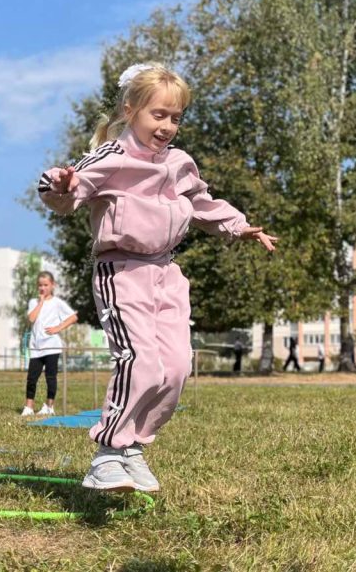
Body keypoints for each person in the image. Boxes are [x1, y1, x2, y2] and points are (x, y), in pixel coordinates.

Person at [38, 62, 277, 492]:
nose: (167, 126)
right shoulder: (112, 156)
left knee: (176, 368)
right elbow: (68, 193)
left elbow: (203, 203)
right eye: (158, 115)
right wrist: (57, 184)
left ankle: (133, 447)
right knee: (142, 362)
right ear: (130, 111)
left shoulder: (181, 163)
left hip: (166, 273)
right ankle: (108, 452)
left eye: (176, 117)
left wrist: (238, 226)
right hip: (121, 269)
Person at [21, 271, 77, 417]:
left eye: (46, 285)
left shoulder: (57, 303)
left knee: (50, 377)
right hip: (36, 347)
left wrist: (58, 328)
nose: (42, 288)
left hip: (52, 346)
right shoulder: (33, 302)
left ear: (52, 285)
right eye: (40, 285)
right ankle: (29, 407)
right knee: (32, 377)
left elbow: (73, 317)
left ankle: (49, 406)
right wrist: (41, 302)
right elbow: (32, 319)